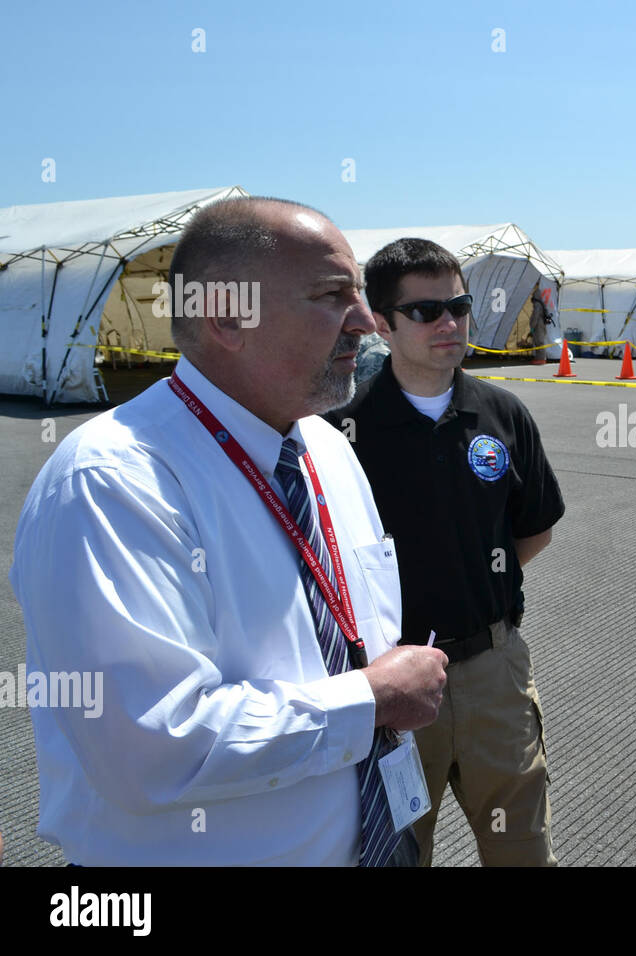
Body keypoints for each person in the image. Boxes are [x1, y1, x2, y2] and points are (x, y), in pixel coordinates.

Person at [10, 197, 449, 866]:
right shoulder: (112, 481)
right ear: (227, 317)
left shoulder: (327, 450)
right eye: (334, 296)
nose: (367, 321)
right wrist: (371, 700)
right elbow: (154, 746)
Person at [329, 238, 565, 866]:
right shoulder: (341, 434)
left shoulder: (502, 414)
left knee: (522, 851)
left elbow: (532, 530)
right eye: (426, 311)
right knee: (397, 854)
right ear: (382, 323)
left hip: (495, 674)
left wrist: (468, 575)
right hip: (391, 685)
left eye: (458, 306)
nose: (450, 323)